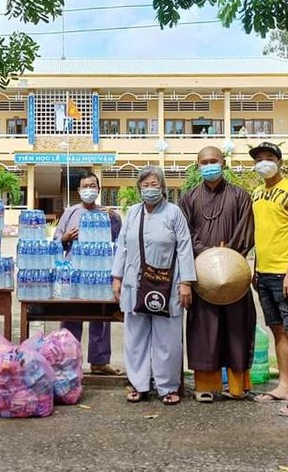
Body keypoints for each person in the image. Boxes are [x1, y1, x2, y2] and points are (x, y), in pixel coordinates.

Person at [111, 166, 195, 405]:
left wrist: (186, 282)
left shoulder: (173, 212)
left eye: (154, 184)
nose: (150, 189)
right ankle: (139, 384)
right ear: (139, 189)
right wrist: (117, 277)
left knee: (167, 338)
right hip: (134, 283)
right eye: (145, 185)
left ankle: (167, 386)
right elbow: (122, 247)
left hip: (167, 285)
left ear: (163, 188)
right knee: (135, 336)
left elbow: (185, 247)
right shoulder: (134, 213)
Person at [179, 146, 256, 402]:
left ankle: (236, 386)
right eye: (204, 161)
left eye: (214, 161)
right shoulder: (188, 198)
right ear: (197, 165)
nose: (209, 165)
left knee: (237, 329)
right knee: (205, 330)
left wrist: (226, 256)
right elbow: (184, 235)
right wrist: (208, 254)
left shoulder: (241, 196)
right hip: (202, 274)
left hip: (233, 274)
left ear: (223, 163)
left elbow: (245, 232)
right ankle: (206, 386)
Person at [248, 141, 288, 417]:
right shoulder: (257, 193)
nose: (263, 162)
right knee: (276, 328)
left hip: (285, 273)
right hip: (263, 272)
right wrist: (255, 268)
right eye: (258, 159)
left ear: (278, 160)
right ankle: (285, 384)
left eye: (268, 157)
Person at [53, 169, 123, 375]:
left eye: (93, 186)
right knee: (71, 316)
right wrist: (65, 238)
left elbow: (120, 244)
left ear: (99, 190)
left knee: (100, 316)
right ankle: (68, 361)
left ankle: (99, 361)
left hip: (100, 273)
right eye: (85, 186)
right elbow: (55, 242)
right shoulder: (70, 213)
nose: (89, 190)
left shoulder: (109, 215)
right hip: (73, 274)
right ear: (78, 190)